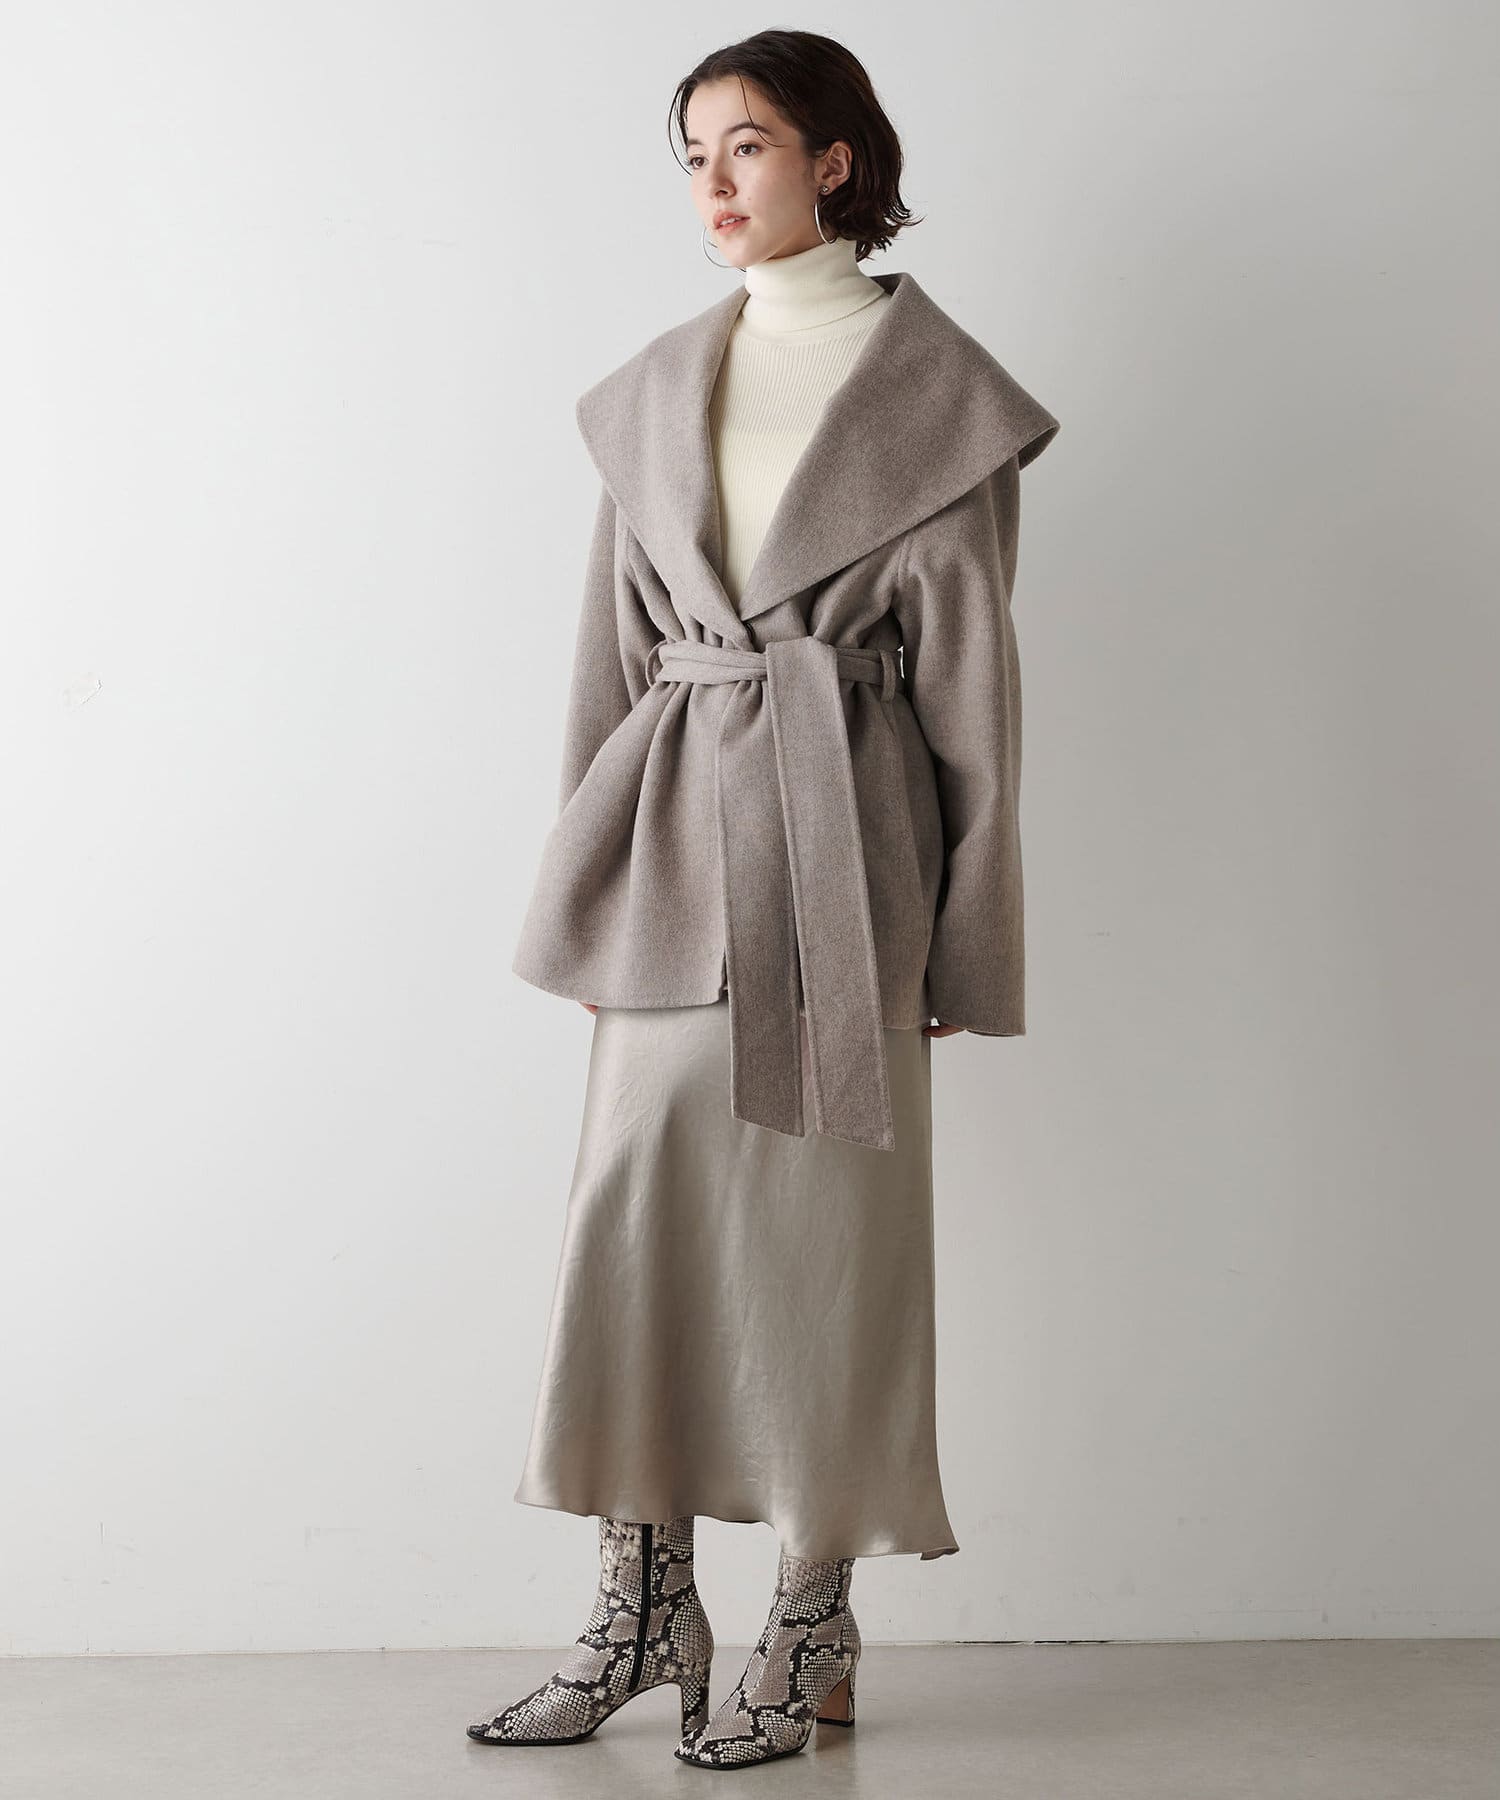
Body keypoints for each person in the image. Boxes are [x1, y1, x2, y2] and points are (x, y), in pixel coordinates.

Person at [467, 28, 1059, 1771]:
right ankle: (645, 1607)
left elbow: (975, 702)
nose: (714, 185)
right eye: (694, 156)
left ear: (837, 163)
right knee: (633, 1226)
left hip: (849, 859)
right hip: (667, 847)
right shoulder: (654, 390)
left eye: (747, 147)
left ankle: (812, 1621)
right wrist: (588, 897)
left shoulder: (941, 401)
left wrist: (965, 948)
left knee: (826, 1248)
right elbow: (610, 670)